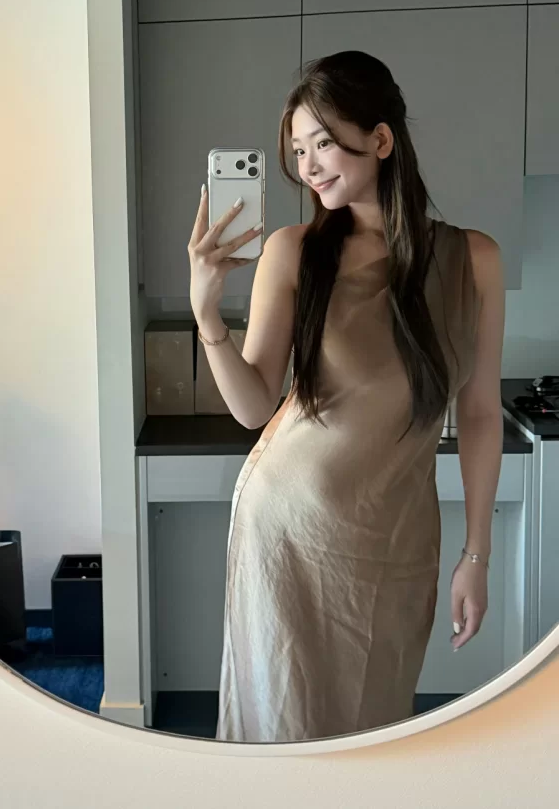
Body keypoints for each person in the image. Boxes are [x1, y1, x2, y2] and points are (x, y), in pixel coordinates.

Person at [187, 51, 505, 743]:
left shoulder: (474, 259)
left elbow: (481, 414)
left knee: (375, 731)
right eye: (298, 150)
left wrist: (477, 554)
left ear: (381, 139)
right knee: (286, 737)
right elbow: (253, 406)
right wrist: (207, 313)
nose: (308, 165)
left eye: (322, 143)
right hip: (288, 535)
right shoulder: (294, 250)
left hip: (397, 541)